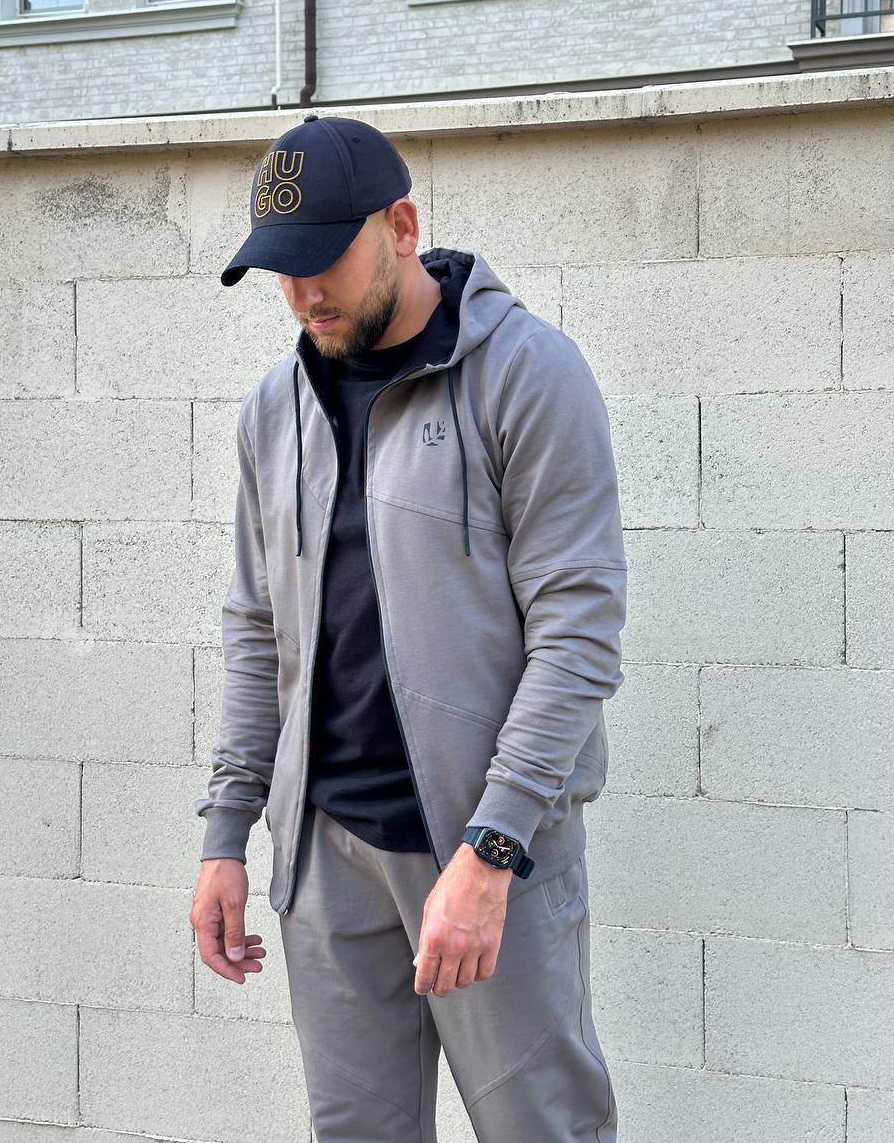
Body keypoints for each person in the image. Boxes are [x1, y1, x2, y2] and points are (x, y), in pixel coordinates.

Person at [189, 112, 628, 1142]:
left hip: (486, 849)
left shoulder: (527, 373)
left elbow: (578, 630)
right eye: (283, 271)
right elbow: (257, 629)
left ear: (400, 225)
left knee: (544, 1130)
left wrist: (493, 846)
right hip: (326, 857)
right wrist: (226, 833)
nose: (305, 294)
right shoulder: (275, 410)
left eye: (324, 260)